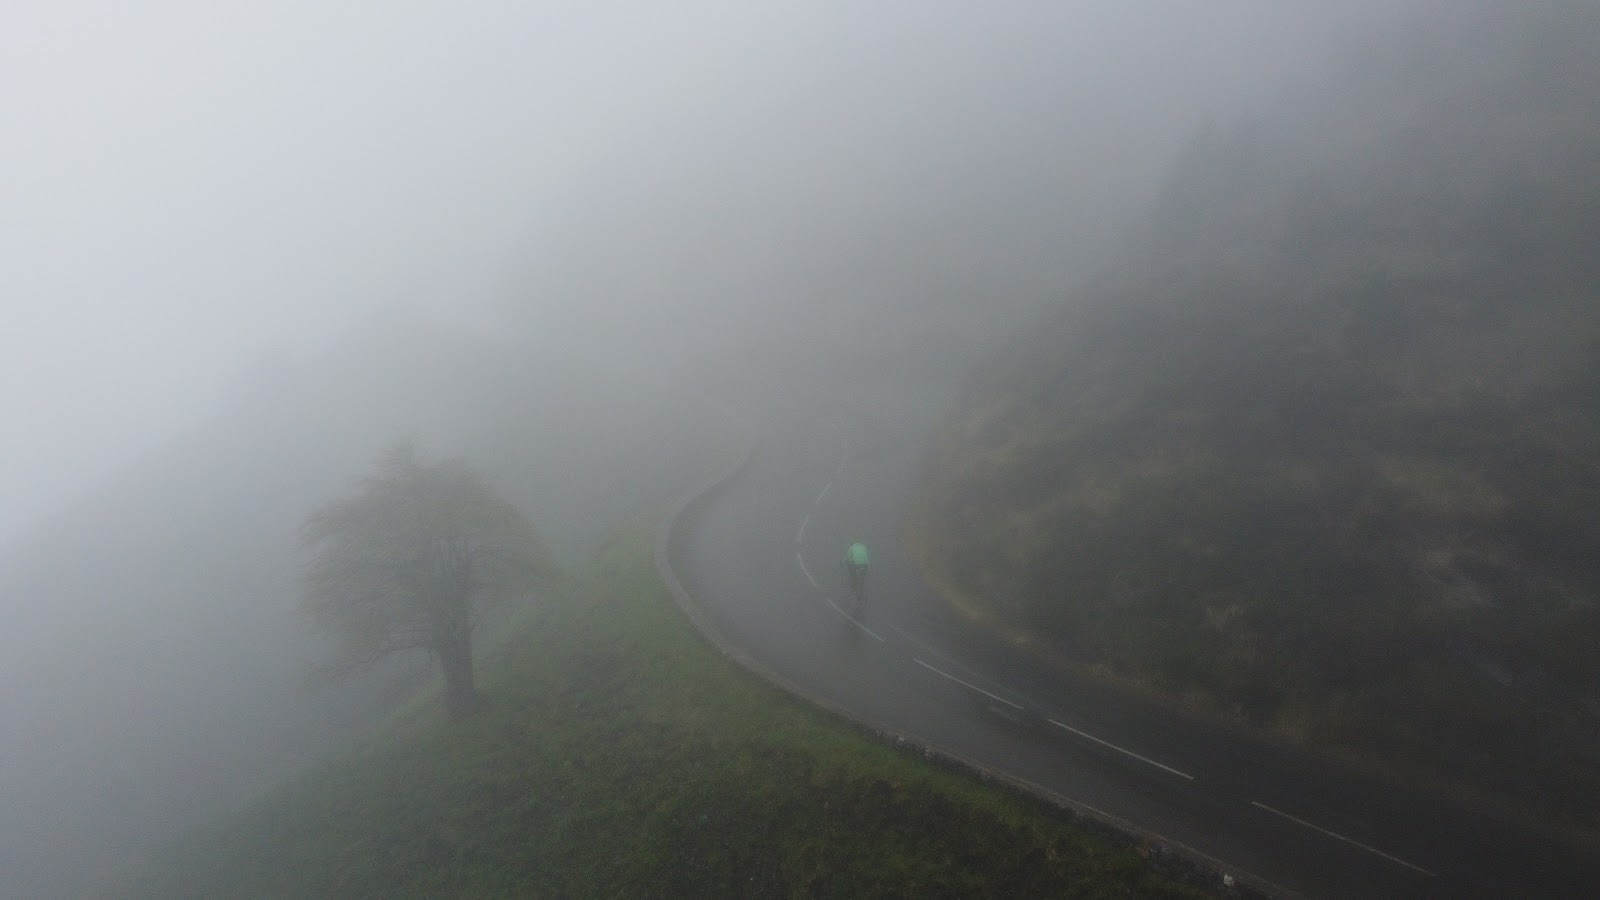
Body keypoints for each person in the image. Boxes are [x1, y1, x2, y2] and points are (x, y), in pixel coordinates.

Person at [843, 540, 870, 606]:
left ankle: (854, 582)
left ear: (852, 544)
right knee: (862, 577)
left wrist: (843, 562)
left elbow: (848, 557)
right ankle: (861, 588)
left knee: (852, 571)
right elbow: (866, 556)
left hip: (857, 565)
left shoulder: (851, 548)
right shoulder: (863, 547)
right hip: (865, 564)